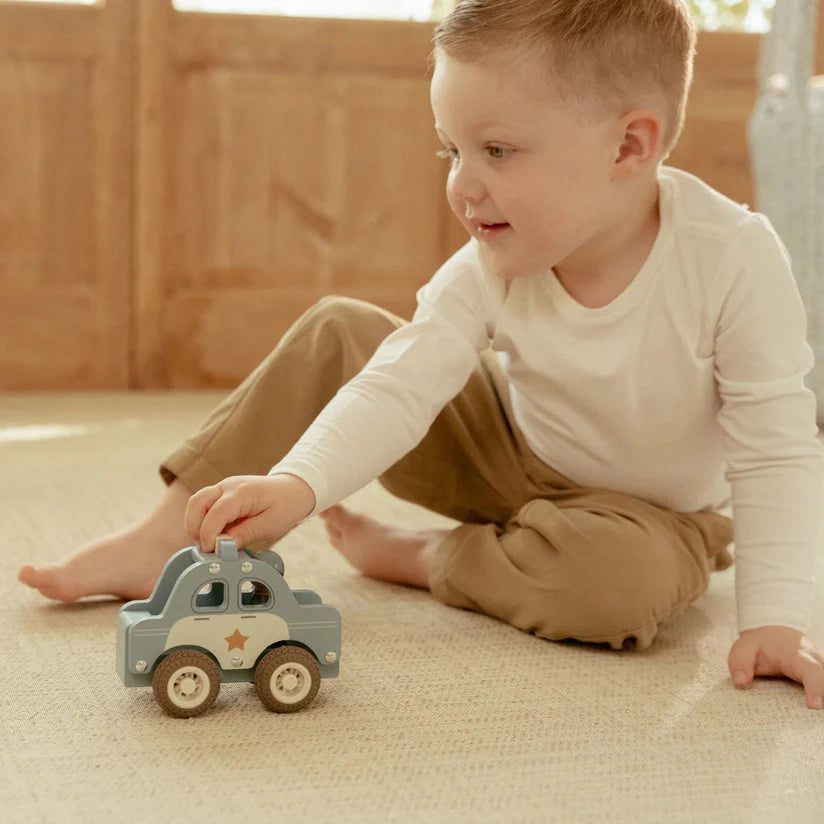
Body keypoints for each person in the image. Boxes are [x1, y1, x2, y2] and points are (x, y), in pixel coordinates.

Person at [18, 0, 824, 709]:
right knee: (342, 329)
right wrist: (298, 484)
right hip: (507, 450)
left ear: (628, 146)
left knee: (619, 588)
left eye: (497, 151)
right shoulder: (493, 262)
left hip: (651, 519)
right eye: (451, 151)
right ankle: (173, 534)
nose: (462, 187)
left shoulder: (732, 259)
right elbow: (401, 381)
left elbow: (777, 448)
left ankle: (428, 557)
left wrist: (776, 620)